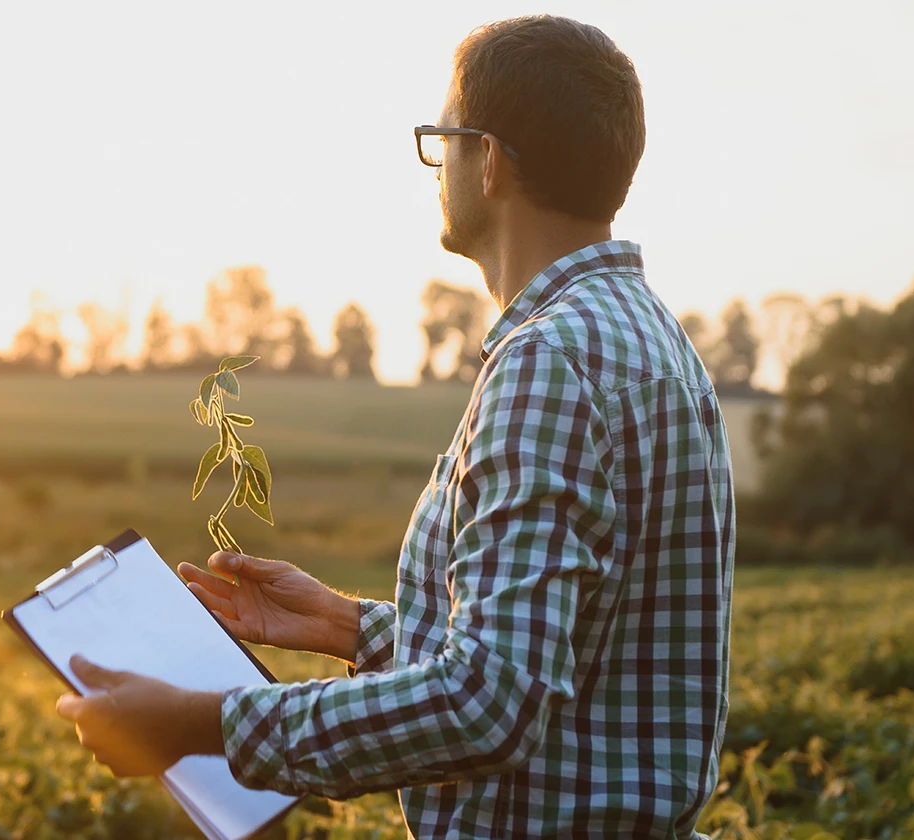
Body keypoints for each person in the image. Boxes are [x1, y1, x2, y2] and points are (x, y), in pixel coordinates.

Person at [56, 14, 735, 838]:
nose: (435, 167)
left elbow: (488, 706)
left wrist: (205, 725)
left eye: (439, 139)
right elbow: (576, 660)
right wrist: (348, 626)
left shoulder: (548, 359)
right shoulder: (652, 339)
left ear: (485, 160)